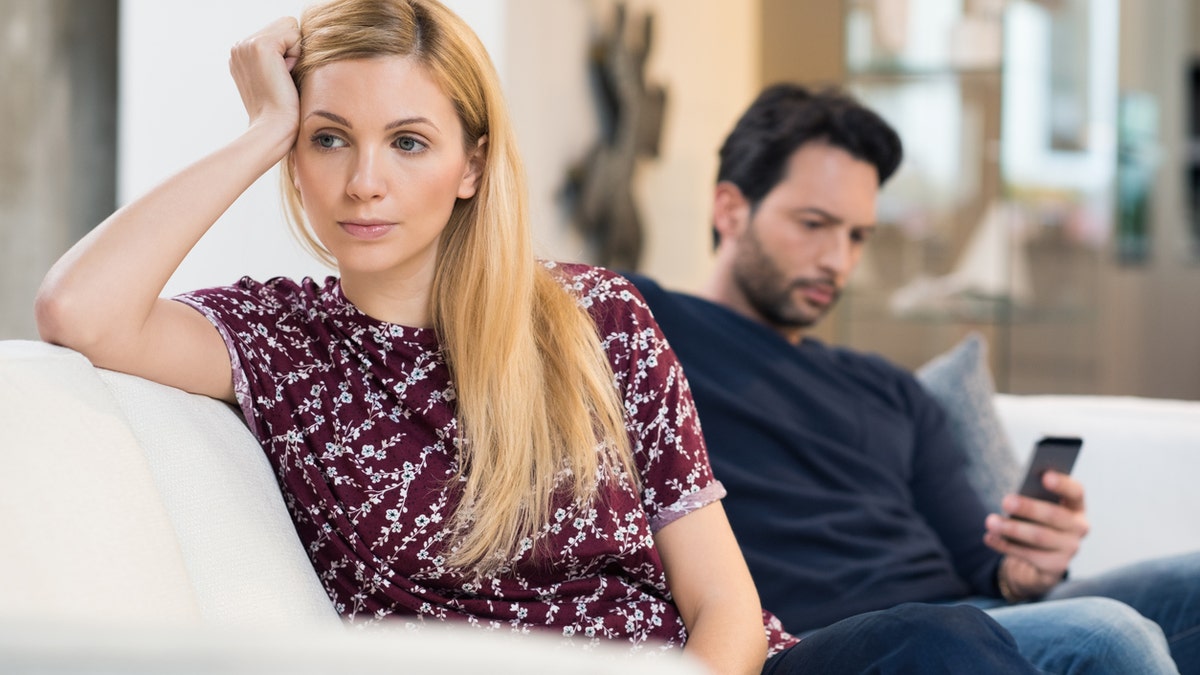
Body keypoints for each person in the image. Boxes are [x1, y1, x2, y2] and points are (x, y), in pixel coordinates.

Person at [32, 3, 1048, 674]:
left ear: (472, 165)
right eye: (326, 138)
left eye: (409, 142)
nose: (362, 182)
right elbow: (80, 311)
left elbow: (724, 608)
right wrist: (259, 129)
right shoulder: (283, 341)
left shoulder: (595, 317)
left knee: (948, 643)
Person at [624, 83, 1200, 674]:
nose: (837, 260)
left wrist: (1029, 563)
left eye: (857, 236)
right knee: (1106, 633)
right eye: (814, 223)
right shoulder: (644, 328)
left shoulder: (891, 388)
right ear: (730, 209)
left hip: (981, 622)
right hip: (841, 637)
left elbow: (985, 561)